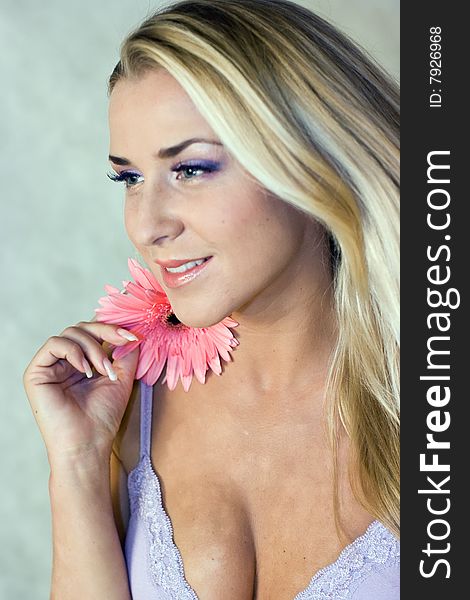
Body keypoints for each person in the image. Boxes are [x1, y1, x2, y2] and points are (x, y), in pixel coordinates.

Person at [23, 0, 400, 598]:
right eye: (130, 178)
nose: (148, 226)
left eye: (191, 169)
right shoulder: (129, 404)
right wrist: (78, 466)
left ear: (312, 157)